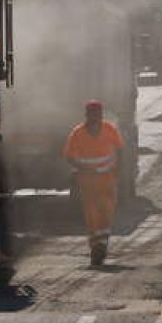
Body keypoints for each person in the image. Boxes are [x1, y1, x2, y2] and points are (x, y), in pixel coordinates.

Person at [63, 100, 125, 266]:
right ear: (87, 115)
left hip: (107, 179)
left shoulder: (110, 129)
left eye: (98, 114)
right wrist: (80, 168)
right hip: (88, 181)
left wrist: (119, 170)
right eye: (92, 114)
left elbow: (119, 149)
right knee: (92, 214)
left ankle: (101, 245)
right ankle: (96, 247)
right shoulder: (78, 133)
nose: (95, 118)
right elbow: (69, 155)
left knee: (106, 211)